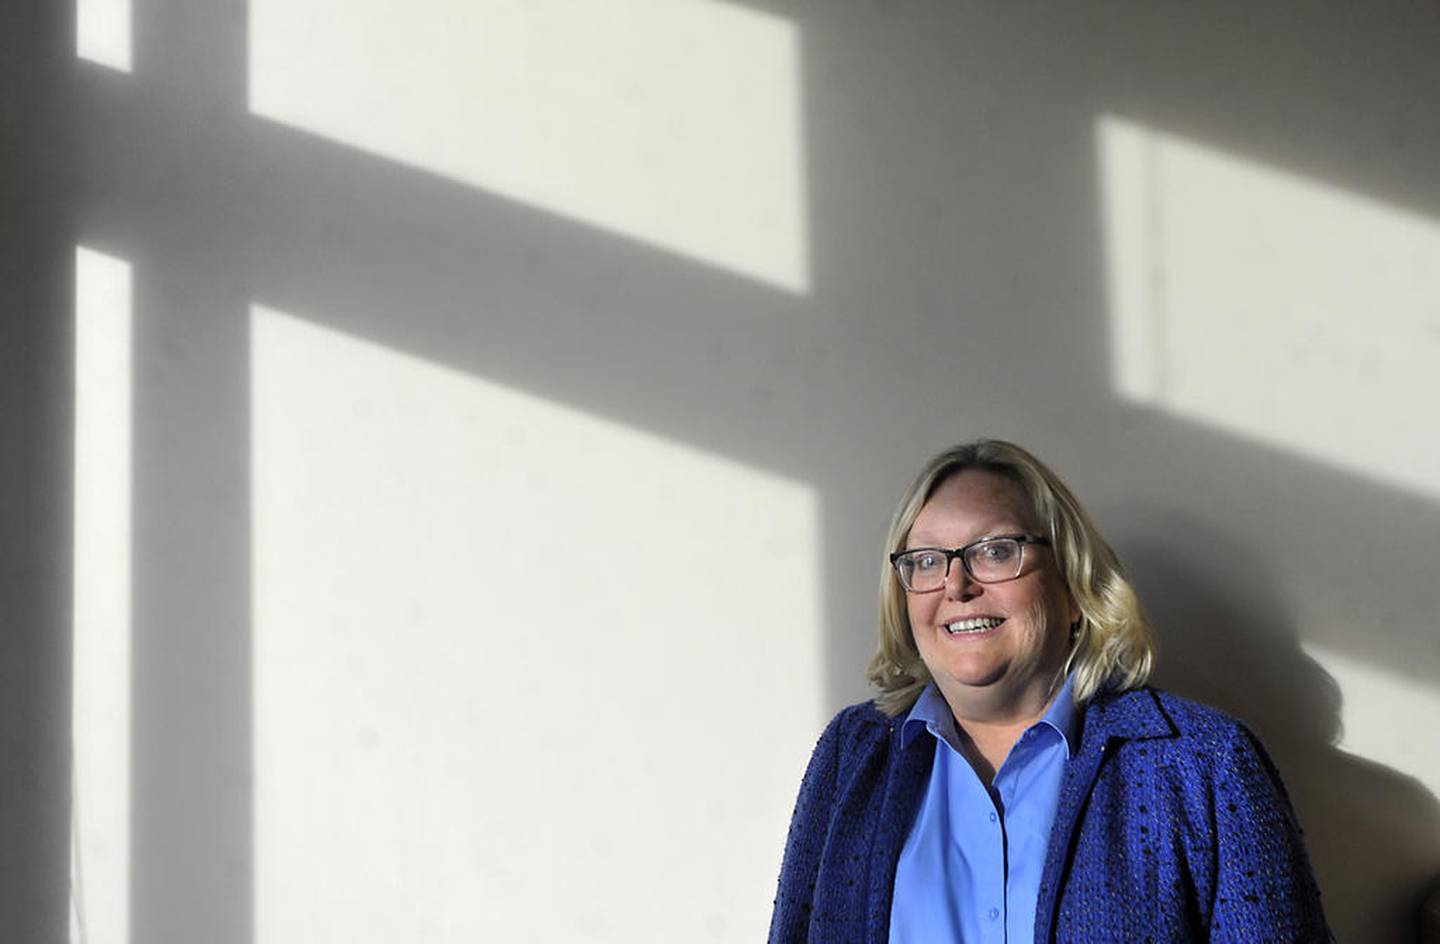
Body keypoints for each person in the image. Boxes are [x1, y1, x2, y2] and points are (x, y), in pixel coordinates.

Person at [768, 440, 1329, 943]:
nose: (957, 585)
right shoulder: (853, 753)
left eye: (995, 551)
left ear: (1074, 586)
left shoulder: (1203, 762)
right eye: (927, 561)